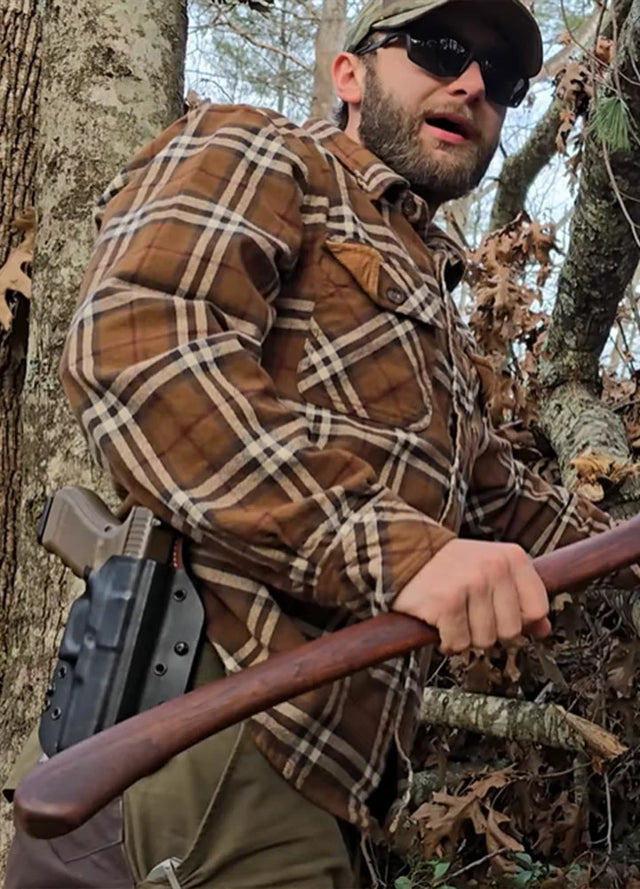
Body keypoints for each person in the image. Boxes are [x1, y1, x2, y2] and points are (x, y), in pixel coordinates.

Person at [4, 0, 636, 886]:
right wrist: (399, 553)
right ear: (350, 74)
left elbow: (512, 508)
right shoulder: (260, 149)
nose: (472, 84)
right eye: (440, 48)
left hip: (330, 791)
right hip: (210, 736)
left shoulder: (437, 327)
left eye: (502, 79)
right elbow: (145, 348)